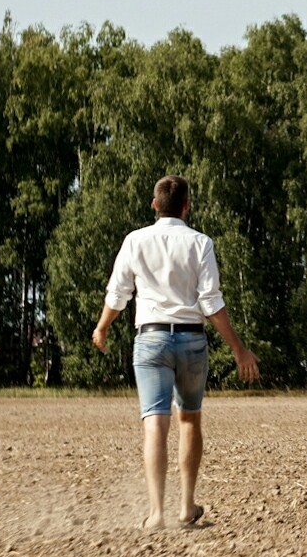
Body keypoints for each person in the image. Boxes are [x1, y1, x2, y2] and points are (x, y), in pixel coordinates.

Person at [91, 175, 260, 530]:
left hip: (150, 340)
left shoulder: (135, 241)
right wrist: (239, 350)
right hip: (191, 340)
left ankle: (156, 514)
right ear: (186, 206)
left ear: (155, 205)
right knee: (189, 419)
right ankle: (186, 507)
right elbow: (211, 302)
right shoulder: (201, 243)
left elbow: (118, 293)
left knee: (155, 423)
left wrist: (103, 327)